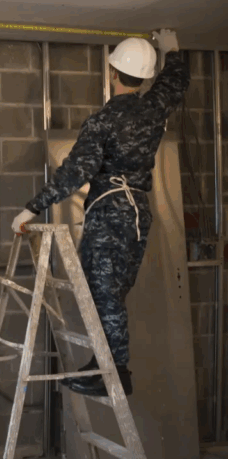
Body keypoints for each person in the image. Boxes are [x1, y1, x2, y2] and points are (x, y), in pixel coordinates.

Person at [11, 29, 190, 397]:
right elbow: (175, 82)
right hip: (137, 214)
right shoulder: (154, 109)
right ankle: (104, 364)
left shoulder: (103, 121)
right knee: (111, 294)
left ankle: (115, 373)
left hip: (110, 214)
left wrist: (31, 209)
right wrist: (172, 50)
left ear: (112, 73)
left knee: (104, 296)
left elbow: (76, 171)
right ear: (144, 78)